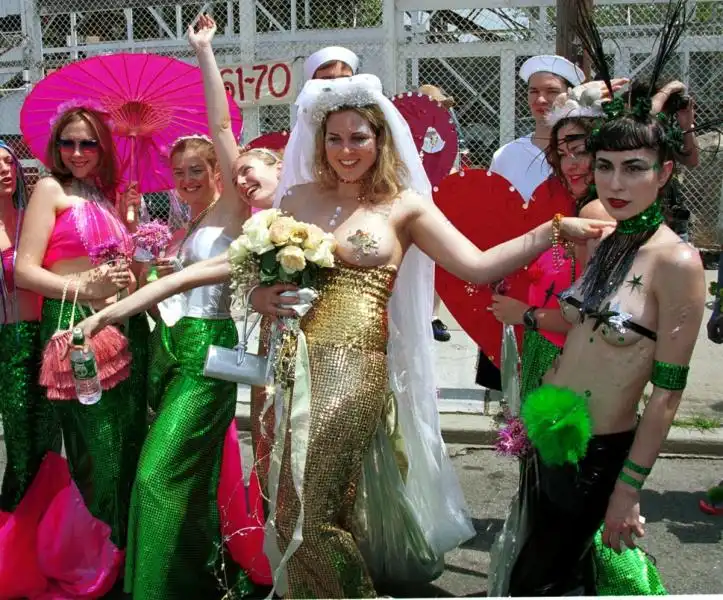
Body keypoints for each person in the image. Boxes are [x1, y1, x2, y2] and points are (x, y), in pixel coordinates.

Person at [75, 73, 606, 598]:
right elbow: (219, 270)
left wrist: (551, 230)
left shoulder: (406, 206)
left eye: (358, 138)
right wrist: (117, 311)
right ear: (319, 140)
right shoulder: (299, 197)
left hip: (354, 367)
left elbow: (479, 266)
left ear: (380, 140)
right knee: (286, 507)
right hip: (293, 363)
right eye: (335, 138)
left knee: (315, 505)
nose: (346, 150)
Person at [496, 2, 705, 594]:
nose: (615, 183)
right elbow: (575, 320)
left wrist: (628, 488)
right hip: (550, 432)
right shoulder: (602, 230)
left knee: (543, 581)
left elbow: (666, 397)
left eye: (634, 168)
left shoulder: (678, 264)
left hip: (599, 456)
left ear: (664, 173)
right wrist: (530, 315)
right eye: (606, 166)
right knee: (540, 576)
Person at [118, 15, 269, 600]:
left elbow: (219, 125)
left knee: (156, 477)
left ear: (217, 174)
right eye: (177, 172)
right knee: (193, 478)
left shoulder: (232, 210)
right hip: (173, 352)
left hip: (209, 356)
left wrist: (204, 51)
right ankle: (200, 581)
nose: (184, 179)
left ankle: (159, 590)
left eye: (196, 170)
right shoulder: (187, 226)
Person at [491, 94, 667, 595]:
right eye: (563, 150)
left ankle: (621, 587)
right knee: (556, 522)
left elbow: (600, 321)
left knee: (574, 528)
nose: (573, 161)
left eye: (584, 149)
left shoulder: (599, 216)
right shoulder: (569, 212)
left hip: (579, 390)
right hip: (553, 378)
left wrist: (524, 314)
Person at [14, 104, 149, 549]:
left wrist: (131, 224)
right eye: (67, 142)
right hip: (74, 330)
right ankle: (98, 555)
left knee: (128, 442)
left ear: (103, 146)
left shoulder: (108, 197)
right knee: (98, 448)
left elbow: (126, 273)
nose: (77, 151)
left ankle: (123, 553)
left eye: (87, 142)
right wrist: (82, 285)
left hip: (122, 328)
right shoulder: (50, 189)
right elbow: (24, 271)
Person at [0, 141, 62, 511]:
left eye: (9, 162)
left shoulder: (34, 217)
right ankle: (14, 530)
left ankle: (46, 526)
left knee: (49, 438)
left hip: (48, 334)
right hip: (9, 343)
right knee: (22, 441)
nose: (5, 169)